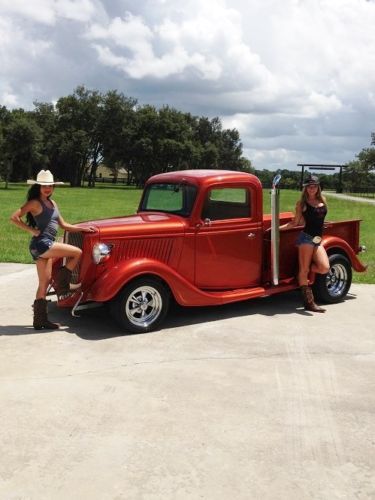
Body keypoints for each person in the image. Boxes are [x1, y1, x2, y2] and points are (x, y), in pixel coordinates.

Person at [10, 169, 96, 330]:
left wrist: (83, 229)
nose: (47, 188)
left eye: (50, 185)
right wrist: (31, 230)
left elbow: (64, 225)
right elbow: (14, 217)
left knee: (44, 283)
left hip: (42, 245)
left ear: (53, 187)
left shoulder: (53, 203)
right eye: (44, 186)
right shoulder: (35, 203)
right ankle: (64, 285)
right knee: (77, 252)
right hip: (42, 244)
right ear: (38, 187)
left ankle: (40, 320)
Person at [279, 174, 330, 313]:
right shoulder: (302, 203)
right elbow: (296, 222)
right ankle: (309, 303)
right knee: (305, 271)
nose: (311, 188)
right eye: (309, 186)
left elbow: (319, 219)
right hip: (306, 238)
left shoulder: (322, 200)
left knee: (324, 267)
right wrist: (277, 229)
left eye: (314, 186)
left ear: (318, 187)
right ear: (306, 188)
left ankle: (300, 272)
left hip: (318, 240)